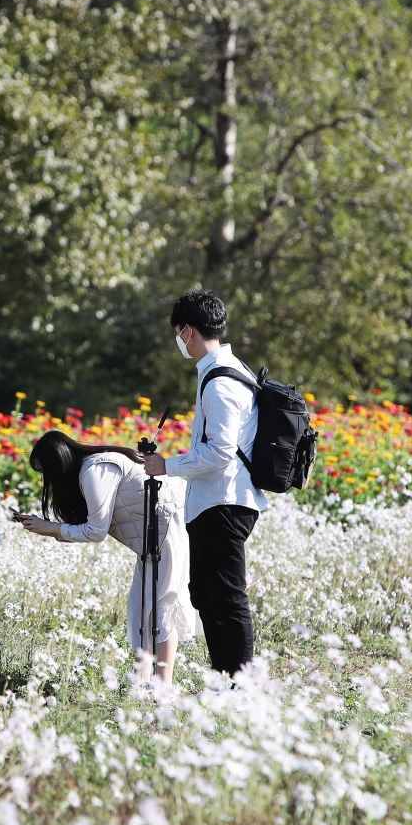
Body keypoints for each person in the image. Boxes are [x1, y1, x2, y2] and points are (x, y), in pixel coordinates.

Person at [141, 288, 268, 677]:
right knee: (208, 595)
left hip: (224, 502)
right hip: (221, 500)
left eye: (178, 333)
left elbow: (219, 453)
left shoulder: (220, 382)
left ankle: (239, 685)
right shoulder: (228, 370)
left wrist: (165, 465)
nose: (179, 341)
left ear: (189, 331)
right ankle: (225, 680)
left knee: (226, 597)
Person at [15, 430, 195, 685]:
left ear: (59, 465)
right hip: (154, 533)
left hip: (167, 526)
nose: (46, 480)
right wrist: (53, 528)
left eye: (46, 472)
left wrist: (53, 528)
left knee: (162, 605)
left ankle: (162, 687)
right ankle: (142, 683)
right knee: (142, 608)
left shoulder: (94, 471)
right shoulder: (91, 468)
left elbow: (96, 531)